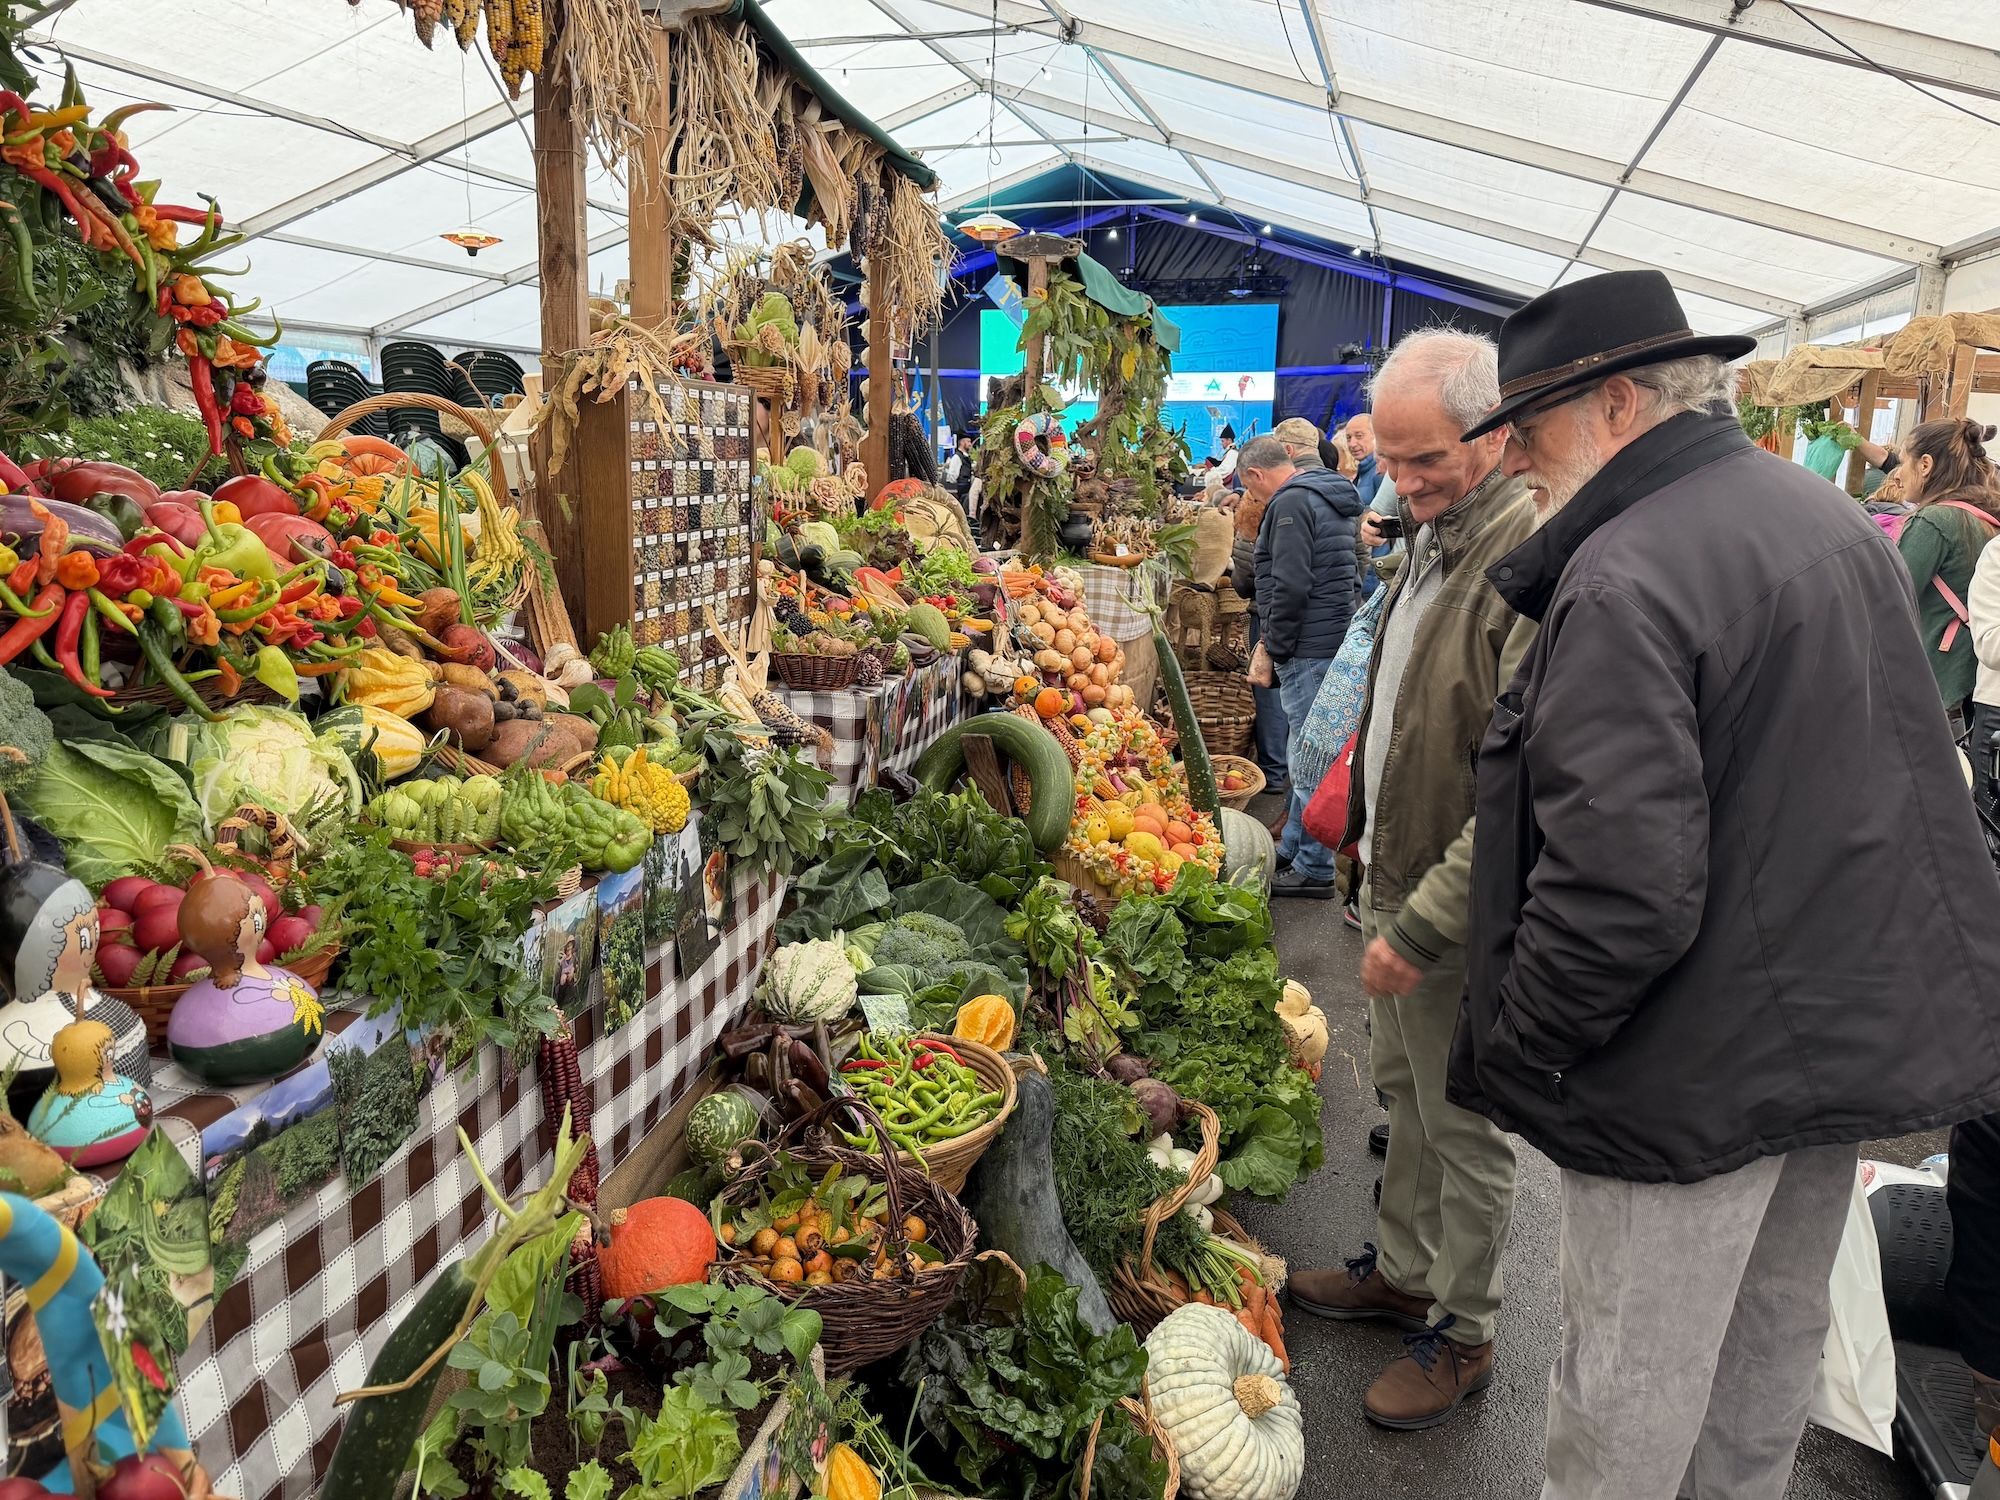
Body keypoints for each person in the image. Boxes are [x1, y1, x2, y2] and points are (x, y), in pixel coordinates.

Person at [1451, 269, 2000, 1500]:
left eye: (1527, 432)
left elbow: (1619, 891)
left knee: (1624, 1399)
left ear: (1615, 406)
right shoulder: (1809, 513)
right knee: (1763, 1358)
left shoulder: (1623, 572)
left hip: (1688, 1066)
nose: (1515, 465)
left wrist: (1526, 1045)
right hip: (1826, 1033)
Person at [1285, 330, 1536, 1428]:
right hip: (1394, 875)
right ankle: (1399, 1270)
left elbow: (1521, 784)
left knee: (1464, 1126)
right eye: (1388, 455)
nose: (1402, 478)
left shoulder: (1522, 558)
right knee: (1404, 1099)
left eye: (1424, 456)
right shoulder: (1435, 537)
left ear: (1490, 433)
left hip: (1458, 906)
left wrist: (1426, 922)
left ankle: (1464, 1331)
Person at [1241, 433, 1363, 896]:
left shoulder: (1290, 505)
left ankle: (1315, 869)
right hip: (1330, 636)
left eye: (1250, 489)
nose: (1252, 497)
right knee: (1308, 749)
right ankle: (1294, 847)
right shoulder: (1328, 494)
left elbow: (1290, 584)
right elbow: (1349, 572)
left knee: (1310, 759)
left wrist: (1275, 644)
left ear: (1255, 474)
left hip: (1308, 646)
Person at [1895, 419, 2000, 726]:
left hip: (1936, 681)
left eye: (1903, 462)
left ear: (1925, 464)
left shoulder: (1935, 521)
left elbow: (1890, 600)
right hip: (1975, 681)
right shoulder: (1988, 518)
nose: (1898, 475)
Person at [1231, 485, 1288, 788]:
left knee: (1268, 693)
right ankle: (1290, 767)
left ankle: (1274, 772)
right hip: (1305, 616)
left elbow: (1243, 583)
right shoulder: (1306, 508)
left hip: (1265, 616)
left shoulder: (1251, 525)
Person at [1346, 412, 1384, 505]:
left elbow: (1383, 512)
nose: (1352, 444)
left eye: (1359, 436)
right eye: (1348, 438)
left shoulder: (1381, 470)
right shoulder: (1363, 471)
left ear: (1375, 435)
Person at [944, 434, 977, 517]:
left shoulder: (967, 457)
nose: (970, 444)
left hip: (966, 489)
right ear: (962, 443)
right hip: (961, 491)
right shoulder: (957, 457)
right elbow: (952, 476)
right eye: (968, 441)